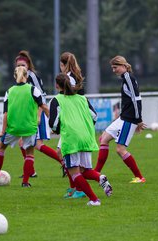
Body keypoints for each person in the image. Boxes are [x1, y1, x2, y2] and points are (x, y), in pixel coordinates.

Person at [49, 73, 111, 206]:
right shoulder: (82, 98)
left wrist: (57, 130)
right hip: (86, 137)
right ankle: (100, 177)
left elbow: (53, 123)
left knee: (74, 172)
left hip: (71, 138)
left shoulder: (56, 100)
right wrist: (85, 127)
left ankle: (94, 200)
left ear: (57, 85)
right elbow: (94, 116)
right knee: (83, 170)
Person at [0, 66, 49, 187]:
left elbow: (6, 114)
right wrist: (53, 123)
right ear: (26, 76)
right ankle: (25, 182)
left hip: (13, 127)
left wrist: (2, 132)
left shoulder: (9, 91)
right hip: (29, 127)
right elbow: (44, 107)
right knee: (29, 153)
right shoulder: (33, 89)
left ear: (14, 76)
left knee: (1, 148)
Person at [94, 55, 147, 183]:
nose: (114, 70)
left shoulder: (128, 77)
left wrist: (138, 120)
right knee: (104, 138)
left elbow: (136, 99)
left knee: (120, 149)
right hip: (123, 118)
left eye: (115, 67)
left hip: (129, 119)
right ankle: (96, 173)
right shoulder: (125, 78)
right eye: (112, 68)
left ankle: (140, 177)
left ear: (123, 66)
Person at [15, 50, 64, 177]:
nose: (20, 68)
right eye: (18, 65)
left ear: (28, 66)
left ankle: (63, 162)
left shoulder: (32, 76)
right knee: (24, 143)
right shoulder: (20, 77)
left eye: (23, 65)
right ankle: (31, 171)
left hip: (36, 114)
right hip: (27, 115)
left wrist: (38, 115)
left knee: (37, 144)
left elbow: (41, 95)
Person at [58, 51, 98, 198]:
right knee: (73, 161)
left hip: (73, 121)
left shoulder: (69, 78)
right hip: (81, 118)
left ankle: (78, 189)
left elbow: (70, 98)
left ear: (63, 65)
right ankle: (75, 187)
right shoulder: (76, 74)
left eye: (60, 65)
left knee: (66, 156)